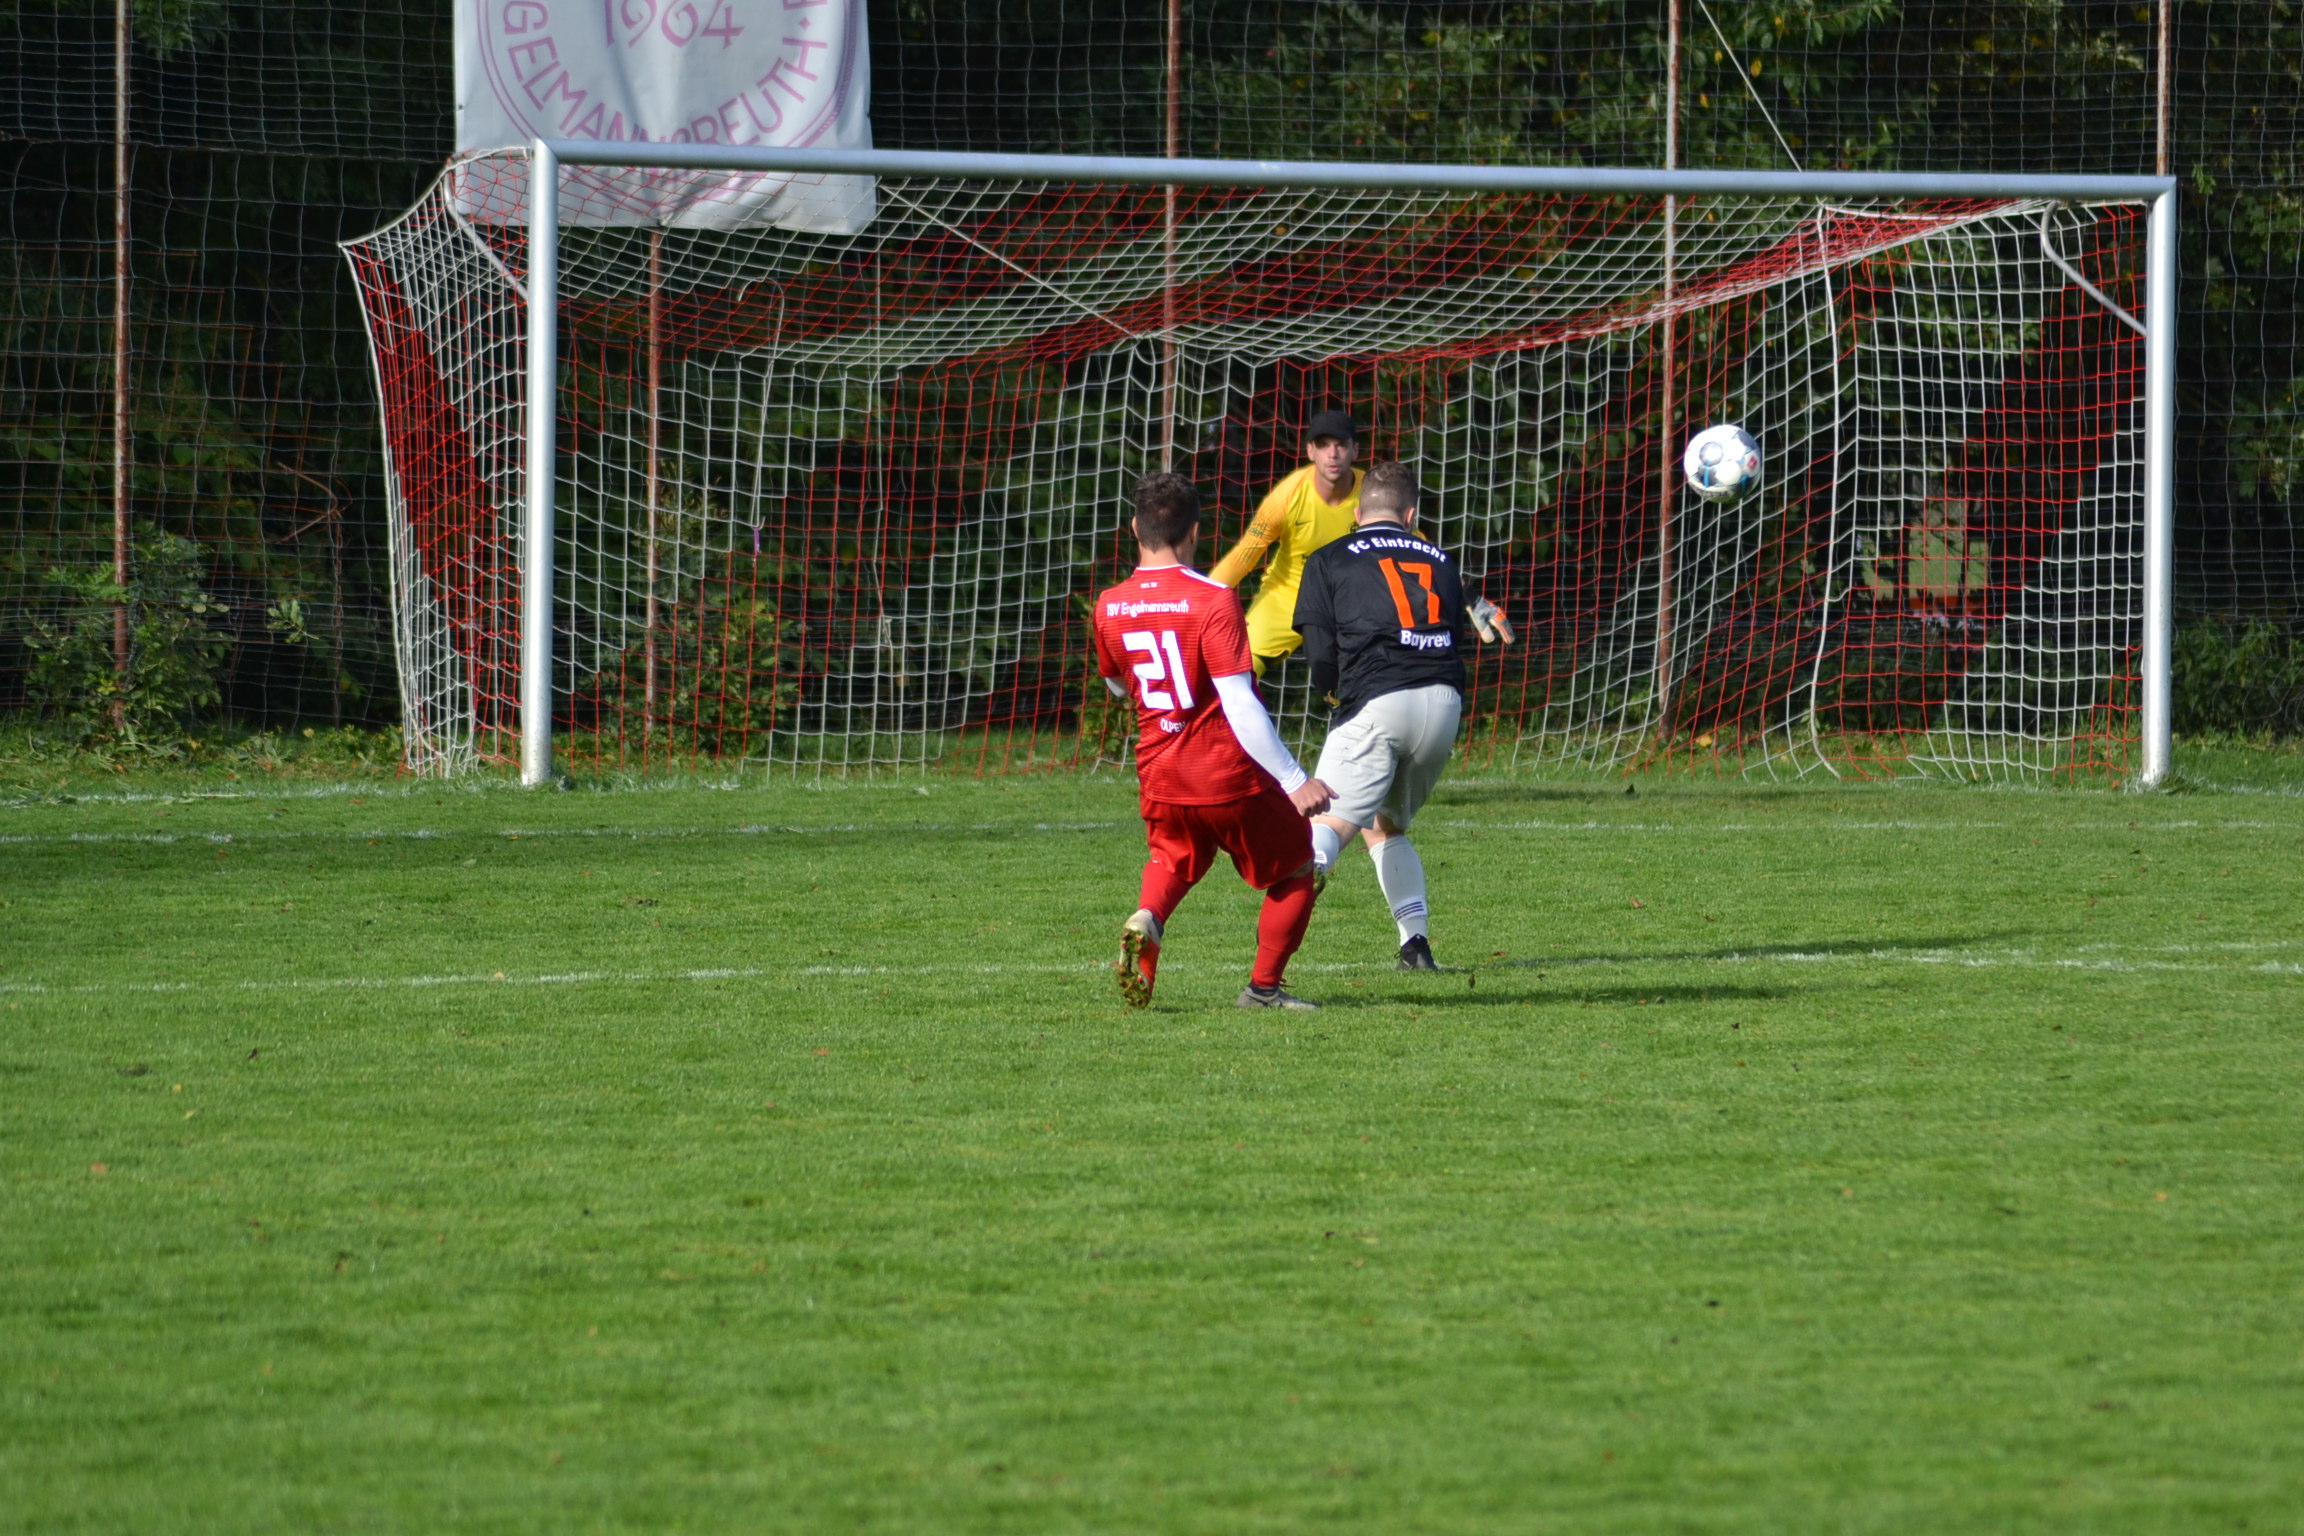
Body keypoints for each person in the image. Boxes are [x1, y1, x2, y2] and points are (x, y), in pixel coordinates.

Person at [1092, 473, 1335, 1011]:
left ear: (1135, 528)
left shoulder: (1109, 604)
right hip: (1225, 774)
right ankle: (1263, 989)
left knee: (1173, 859)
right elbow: (1238, 701)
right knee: (1299, 865)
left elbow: (1118, 685)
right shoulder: (1213, 598)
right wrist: (1294, 779)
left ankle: (1148, 919)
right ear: (1195, 532)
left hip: (1160, 772)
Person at [1290, 461, 1486, 971]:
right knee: (1384, 826)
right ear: (1411, 515)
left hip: (1379, 699)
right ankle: (1414, 945)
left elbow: (1319, 649)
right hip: (1443, 704)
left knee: (1323, 827)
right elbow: (1455, 638)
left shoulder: (1329, 557)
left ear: (1358, 513)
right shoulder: (1441, 560)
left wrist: (1332, 693)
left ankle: (1270, 963)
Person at [1209, 408, 1366, 673]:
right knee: (1240, 666)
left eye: (1341, 444)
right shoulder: (1286, 497)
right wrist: (1198, 601)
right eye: (1323, 445)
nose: (1332, 453)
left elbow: (1410, 546)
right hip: (1288, 595)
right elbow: (1242, 558)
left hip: (1352, 600)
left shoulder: (1373, 493)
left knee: (1376, 673)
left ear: (1355, 451)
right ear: (1310, 452)